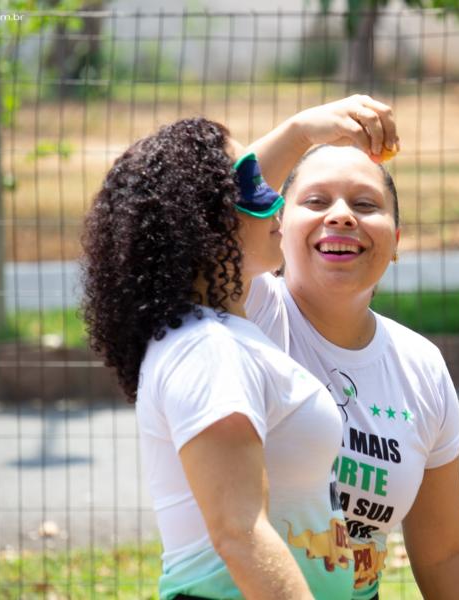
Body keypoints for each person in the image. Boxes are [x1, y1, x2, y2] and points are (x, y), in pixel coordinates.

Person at [80, 117, 354, 599]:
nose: (275, 199)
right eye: (250, 184)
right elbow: (239, 533)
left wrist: (301, 132)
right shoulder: (206, 348)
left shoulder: (218, 333)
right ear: (202, 218)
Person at [242, 96, 459, 599]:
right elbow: (206, 219)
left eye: (365, 205)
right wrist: (299, 132)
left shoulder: (420, 366)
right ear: (276, 227)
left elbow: (447, 550)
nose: (341, 216)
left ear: (395, 241)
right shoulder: (251, 312)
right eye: (316, 202)